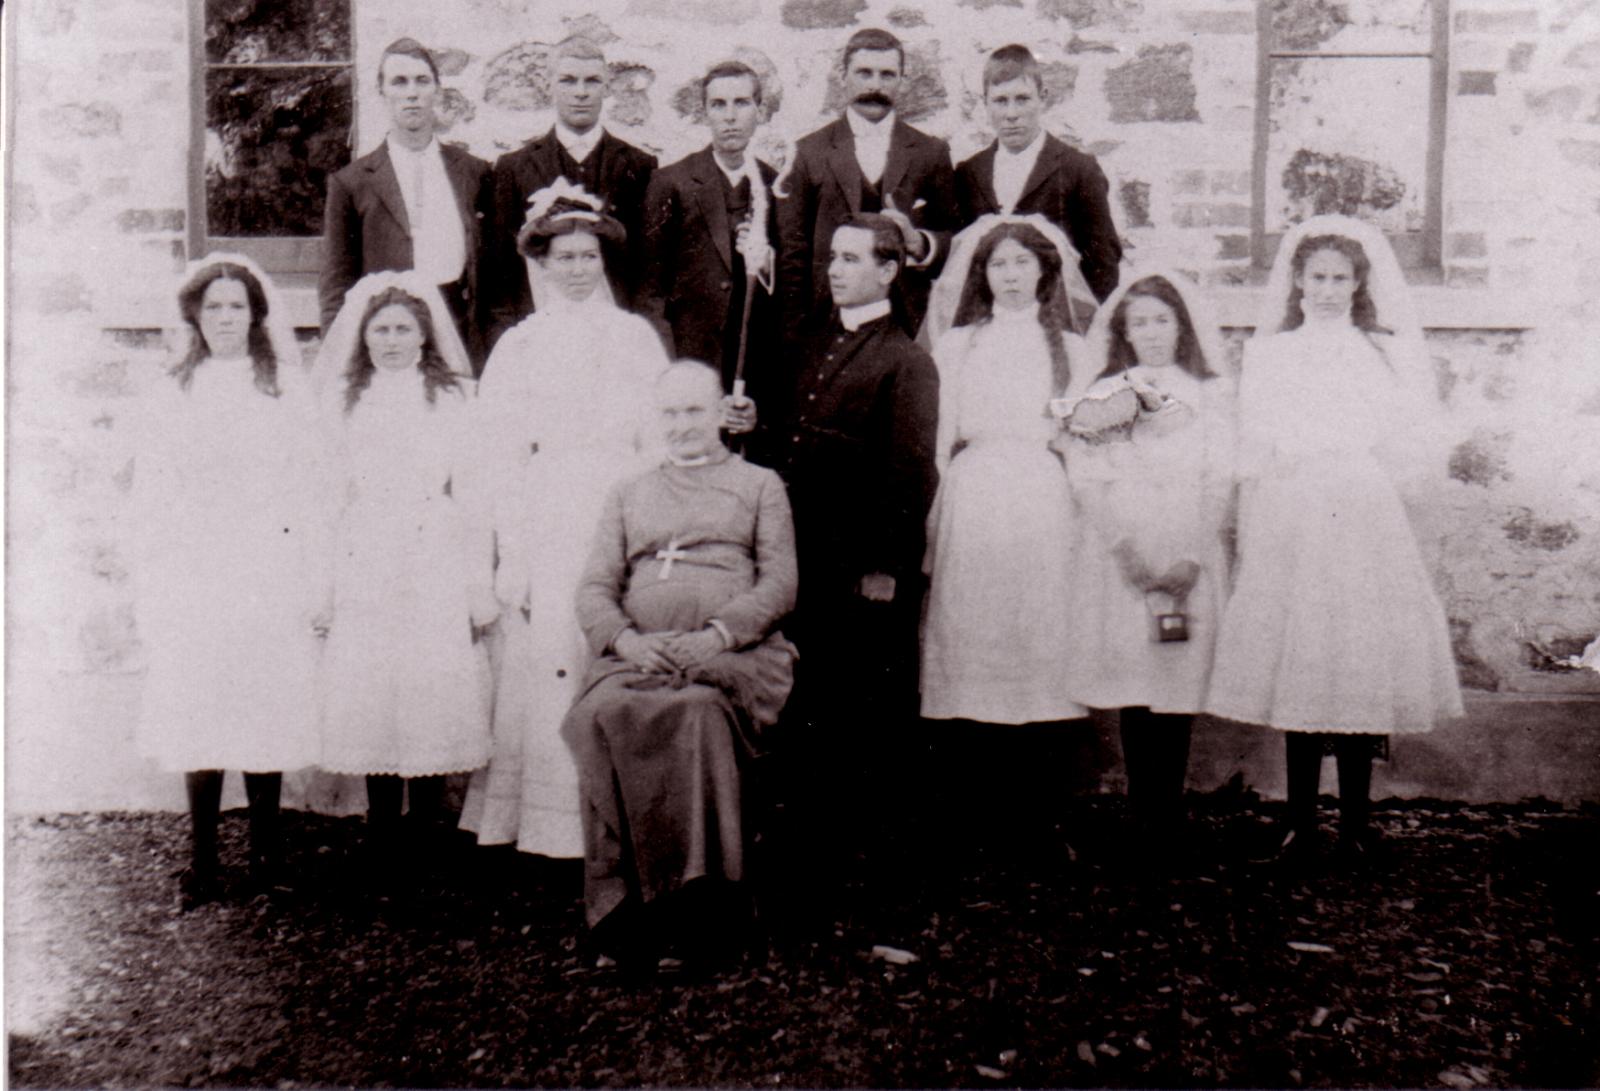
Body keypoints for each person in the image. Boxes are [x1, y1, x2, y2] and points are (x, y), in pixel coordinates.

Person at [1204, 214, 1464, 864]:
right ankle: (1299, 820)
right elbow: (1257, 440)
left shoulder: (1378, 351)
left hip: (1361, 505)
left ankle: (1356, 821)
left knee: (1359, 650)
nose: (1327, 289)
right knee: (1303, 648)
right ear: (1296, 281)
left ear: (1357, 283)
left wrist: (1379, 473)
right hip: (1294, 505)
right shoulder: (1271, 352)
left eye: (1339, 278)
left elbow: (1408, 436)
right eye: (1316, 277)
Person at [562, 362, 798, 971]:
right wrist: (626, 640)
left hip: (730, 658)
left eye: (694, 410)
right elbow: (593, 587)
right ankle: (623, 908)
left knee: (694, 717)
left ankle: (700, 912)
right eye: (669, 413)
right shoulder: (628, 491)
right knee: (602, 714)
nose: (682, 425)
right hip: (641, 657)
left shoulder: (758, 484)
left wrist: (718, 636)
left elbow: (780, 583)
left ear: (721, 411)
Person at [459, 185, 671, 860]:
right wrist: (510, 552)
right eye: (564, 257)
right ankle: (549, 828)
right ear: (542, 265)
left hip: (619, 502)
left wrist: (652, 527)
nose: (577, 268)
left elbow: (659, 440)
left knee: (614, 647)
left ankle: (621, 822)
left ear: (603, 260)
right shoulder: (520, 346)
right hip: (548, 507)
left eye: (589, 256)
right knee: (549, 651)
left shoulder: (636, 338)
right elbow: (498, 457)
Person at [132, 255, 327, 909]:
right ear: (194, 316)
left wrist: (307, 569)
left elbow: (310, 486)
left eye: (236, 307)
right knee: (202, 700)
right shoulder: (171, 391)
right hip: (198, 564)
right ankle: (203, 861)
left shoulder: (285, 390)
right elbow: (153, 492)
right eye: (212, 307)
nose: (224, 318)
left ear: (256, 315)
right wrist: (157, 571)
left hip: (267, 561)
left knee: (262, 699)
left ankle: (267, 858)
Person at [754, 213, 939, 862]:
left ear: (889, 270)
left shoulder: (905, 360)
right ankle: (805, 833)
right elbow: (789, 437)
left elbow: (909, 473)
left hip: (860, 566)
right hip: (804, 554)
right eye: (833, 257)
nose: (835, 269)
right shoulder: (812, 342)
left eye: (853, 259)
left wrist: (885, 565)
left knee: (862, 706)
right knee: (810, 695)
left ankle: (863, 848)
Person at [313, 272, 497, 873]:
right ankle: (381, 830)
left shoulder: (454, 398)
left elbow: (473, 491)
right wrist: (326, 583)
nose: (391, 341)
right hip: (366, 547)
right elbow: (328, 493)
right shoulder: (344, 401)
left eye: (403, 329)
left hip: (434, 546)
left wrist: (477, 582)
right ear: (363, 337)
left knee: (429, 679)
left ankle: (426, 829)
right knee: (374, 680)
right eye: (381, 330)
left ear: (424, 336)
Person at [1059, 269, 1236, 863]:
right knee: (1136, 676)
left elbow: (1220, 476)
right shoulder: (1107, 393)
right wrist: (1124, 549)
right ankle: (1141, 812)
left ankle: (1170, 813)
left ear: (1180, 326)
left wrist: (1193, 553)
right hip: (1125, 546)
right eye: (1141, 323)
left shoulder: (1209, 393)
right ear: (1124, 332)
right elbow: (1086, 475)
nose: (1152, 332)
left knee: (1176, 675)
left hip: (1186, 542)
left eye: (1163, 320)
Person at [775, 27, 958, 344]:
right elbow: (792, 255)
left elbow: (955, 239)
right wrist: (795, 336)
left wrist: (919, 243)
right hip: (826, 325)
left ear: (902, 80)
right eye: (864, 73)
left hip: (907, 326)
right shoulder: (808, 153)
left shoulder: (931, 152)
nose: (875, 85)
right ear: (843, 76)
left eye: (887, 75)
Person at [320, 38, 494, 370]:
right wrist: (340, 360)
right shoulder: (351, 182)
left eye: (422, 81)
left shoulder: (474, 172)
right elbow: (336, 283)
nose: (412, 93)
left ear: (438, 91)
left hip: (459, 328)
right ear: (381, 93)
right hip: (388, 334)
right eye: (399, 82)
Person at [486, 36, 658, 344]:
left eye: (592, 81)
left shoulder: (639, 165)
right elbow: (501, 277)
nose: (581, 92)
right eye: (568, 80)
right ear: (549, 85)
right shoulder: (514, 168)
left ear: (606, 89)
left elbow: (647, 271)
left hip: (614, 338)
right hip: (540, 337)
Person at [640, 61, 778, 394]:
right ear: (704, 113)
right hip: (690, 359)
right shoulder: (672, 182)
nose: (730, 116)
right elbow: (650, 291)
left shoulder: (775, 185)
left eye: (742, 103)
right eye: (718, 105)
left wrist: (766, 264)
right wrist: (667, 365)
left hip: (754, 364)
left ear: (760, 111)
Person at [954, 44, 1122, 305]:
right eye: (1000, 101)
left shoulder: (1078, 168)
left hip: (1056, 319)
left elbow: (1103, 262)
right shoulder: (969, 172)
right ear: (985, 103)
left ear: (1042, 98)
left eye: (1022, 99)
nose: (1011, 114)